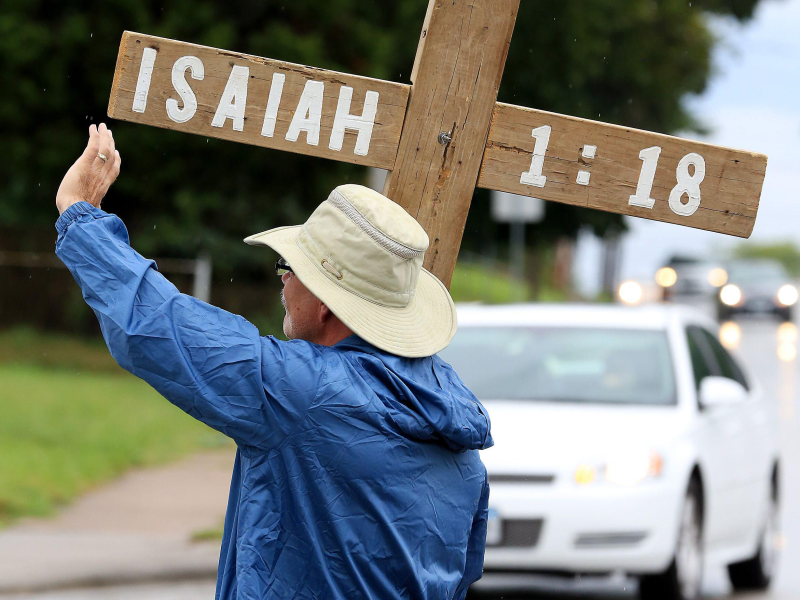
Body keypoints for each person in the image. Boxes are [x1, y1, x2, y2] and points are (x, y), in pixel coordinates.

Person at [54, 123, 493, 600]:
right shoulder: (463, 448)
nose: (281, 281)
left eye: (289, 268)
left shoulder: (304, 394)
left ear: (327, 303)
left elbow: (160, 326)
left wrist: (81, 215)